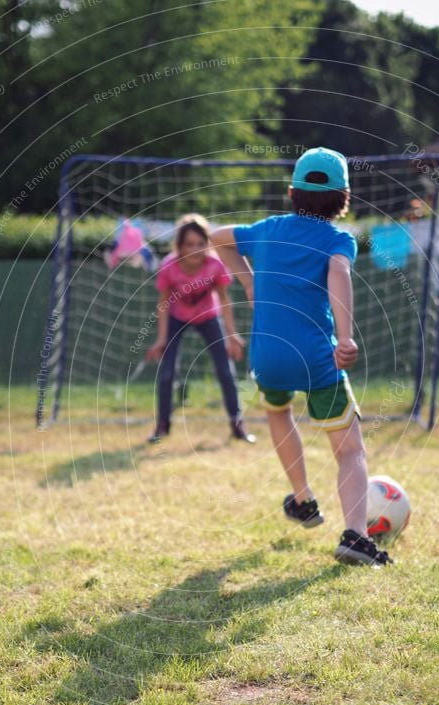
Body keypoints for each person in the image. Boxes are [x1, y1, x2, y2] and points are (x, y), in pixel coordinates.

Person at [210, 147, 392, 566]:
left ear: (292, 192)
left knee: (278, 413)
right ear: (343, 198)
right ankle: (355, 537)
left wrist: (249, 284)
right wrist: (344, 338)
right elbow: (340, 276)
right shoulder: (337, 239)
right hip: (316, 359)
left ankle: (303, 499)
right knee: (349, 449)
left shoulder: (267, 228)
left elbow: (218, 237)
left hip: (268, 357)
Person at [146, 213, 255, 444]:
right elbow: (163, 304)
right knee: (166, 374)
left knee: (226, 371)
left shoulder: (215, 265)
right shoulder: (169, 267)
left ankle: (237, 424)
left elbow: (225, 300)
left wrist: (232, 334)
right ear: (180, 246)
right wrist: (162, 338)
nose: (195, 250)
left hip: (208, 316)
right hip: (177, 318)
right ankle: (162, 426)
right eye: (189, 244)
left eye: (201, 244)